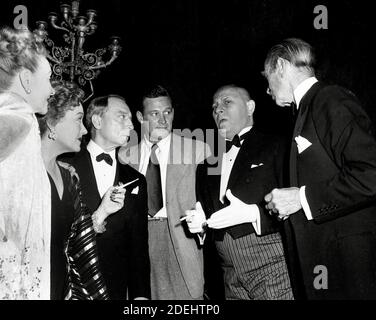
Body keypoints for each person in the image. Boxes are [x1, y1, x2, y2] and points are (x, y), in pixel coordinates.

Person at [263, 38, 376, 299]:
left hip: (347, 269)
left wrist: (301, 198)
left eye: (267, 77)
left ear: (281, 66)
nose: (268, 90)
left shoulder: (329, 99)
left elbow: (370, 174)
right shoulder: (305, 110)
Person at [0, 27, 53, 299]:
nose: (52, 89)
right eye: (49, 79)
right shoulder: (19, 110)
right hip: (4, 275)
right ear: (27, 80)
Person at [185, 85, 293, 300]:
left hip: (273, 265)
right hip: (229, 274)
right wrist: (201, 226)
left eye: (227, 102)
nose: (218, 110)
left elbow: (298, 207)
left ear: (250, 107)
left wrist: (256, 214)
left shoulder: (278, 146)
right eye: (215, 106)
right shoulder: (207, 164)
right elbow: (208, 214)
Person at [119, 85, 211, 300]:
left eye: (167, 112)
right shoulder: (123, 156)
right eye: (154, 113)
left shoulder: (199, 151)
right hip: (138, 242)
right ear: (140, 116)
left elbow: (208, 208)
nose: (163, 120)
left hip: (180, 240)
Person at [39, 80, 127, 299]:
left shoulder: (70, 176)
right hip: (32, 286)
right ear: (51, 122)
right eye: (78, 119)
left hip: (63, 288)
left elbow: (78, 241)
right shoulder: (23, 174)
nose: (85, 128)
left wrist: (104, 211)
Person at [68, 95, 150, 300]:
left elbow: (138, 247)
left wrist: (141, 296)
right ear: (97, 121)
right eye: (122, 116)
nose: (131, 124)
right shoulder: (65, 167)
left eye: (130, 118)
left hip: (116, 290)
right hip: (72, 287)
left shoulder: (136, 180)